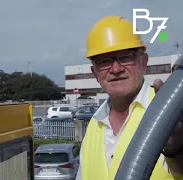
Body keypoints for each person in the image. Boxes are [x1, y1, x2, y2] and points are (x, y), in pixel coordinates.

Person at [75, 15, 183, 180]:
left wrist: (177, 148)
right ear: (95, 73)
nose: (116, 69)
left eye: (126, 57)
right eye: (104, 61)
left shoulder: (173, 115)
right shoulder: (94, 126)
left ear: (144, 62)